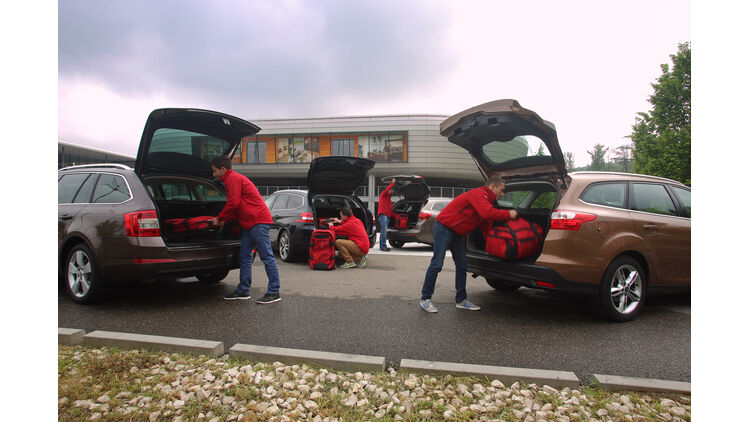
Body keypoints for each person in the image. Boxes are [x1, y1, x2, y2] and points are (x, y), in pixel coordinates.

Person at [419, 175, 518, 313]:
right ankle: (425, 299)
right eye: (501, 190)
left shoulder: (487, 201)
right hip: (444, 228)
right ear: (492, 186)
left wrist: (493, 245)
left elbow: (486, 225)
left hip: (458, 233)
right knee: (437, 264)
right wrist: (508, 214)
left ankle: (461, 300)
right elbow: (487, 213)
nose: (502, 194)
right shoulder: (479, 194)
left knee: (462, 265)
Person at [209, 156, 281, 304]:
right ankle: (243, 290)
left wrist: (220, 218)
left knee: (266, 256)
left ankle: (274, 292)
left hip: (258, 221)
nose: (213, 174)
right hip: (249, 222)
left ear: (223, 169)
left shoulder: (232, 179)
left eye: (215, 171)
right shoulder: (231, 180)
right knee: (244, 256)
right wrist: (224, 219)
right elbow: (238, 206)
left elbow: (233, 203)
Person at [377, 178, 396, 251]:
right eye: (391, 189)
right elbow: (387, 189)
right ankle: (383, 246)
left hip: (387, 216)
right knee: (383, 231)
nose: (392, 191)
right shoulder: (383, 194)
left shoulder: (389, 200)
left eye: (393, 190)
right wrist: (392, 183)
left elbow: (391, 211)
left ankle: (383, 246)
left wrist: (396, 216)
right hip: (383, 215)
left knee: (384, 231)